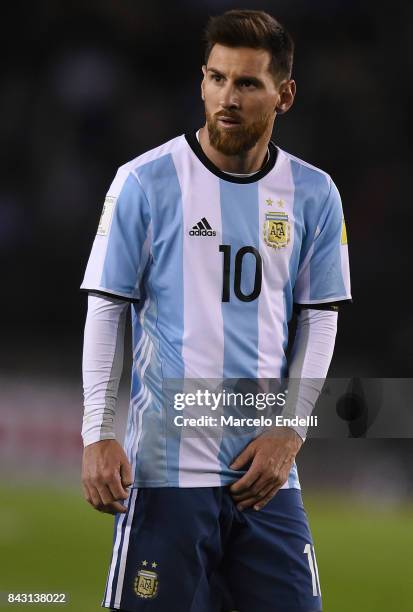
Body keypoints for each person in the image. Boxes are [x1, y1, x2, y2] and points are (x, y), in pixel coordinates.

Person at [80, 9, 351, 612]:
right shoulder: (144, 183)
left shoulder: (313, 193)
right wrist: (96, 433)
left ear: (285, 95)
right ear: (202, 81)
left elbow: (319, 318)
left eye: (248, 83)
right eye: (217, 78)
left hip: (265, 475)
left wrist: (290, 430)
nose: (228, 97)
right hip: (167, 472)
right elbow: (106, 312)